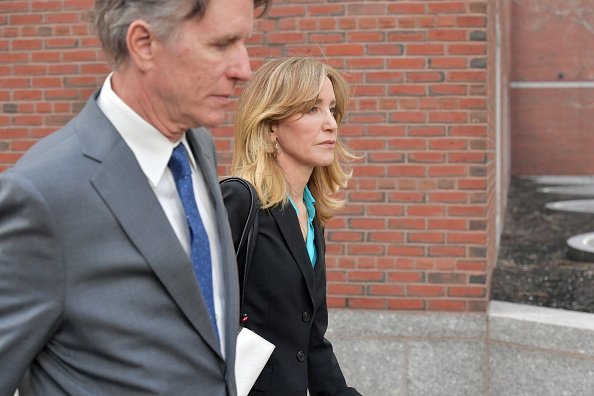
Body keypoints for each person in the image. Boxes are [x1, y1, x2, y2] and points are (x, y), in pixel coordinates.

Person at [0, 0, 270, 394]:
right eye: (222, 44)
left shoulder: (199, 147)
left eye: (244, 43)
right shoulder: (42, 195)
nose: (244, 69)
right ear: (143, 43)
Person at [221, 57, 363, 396]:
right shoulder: (239, 201)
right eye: (313, 109)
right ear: (271, 126)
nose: (331, 124)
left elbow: (311, 342)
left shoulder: (311, 217)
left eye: (332, 110)